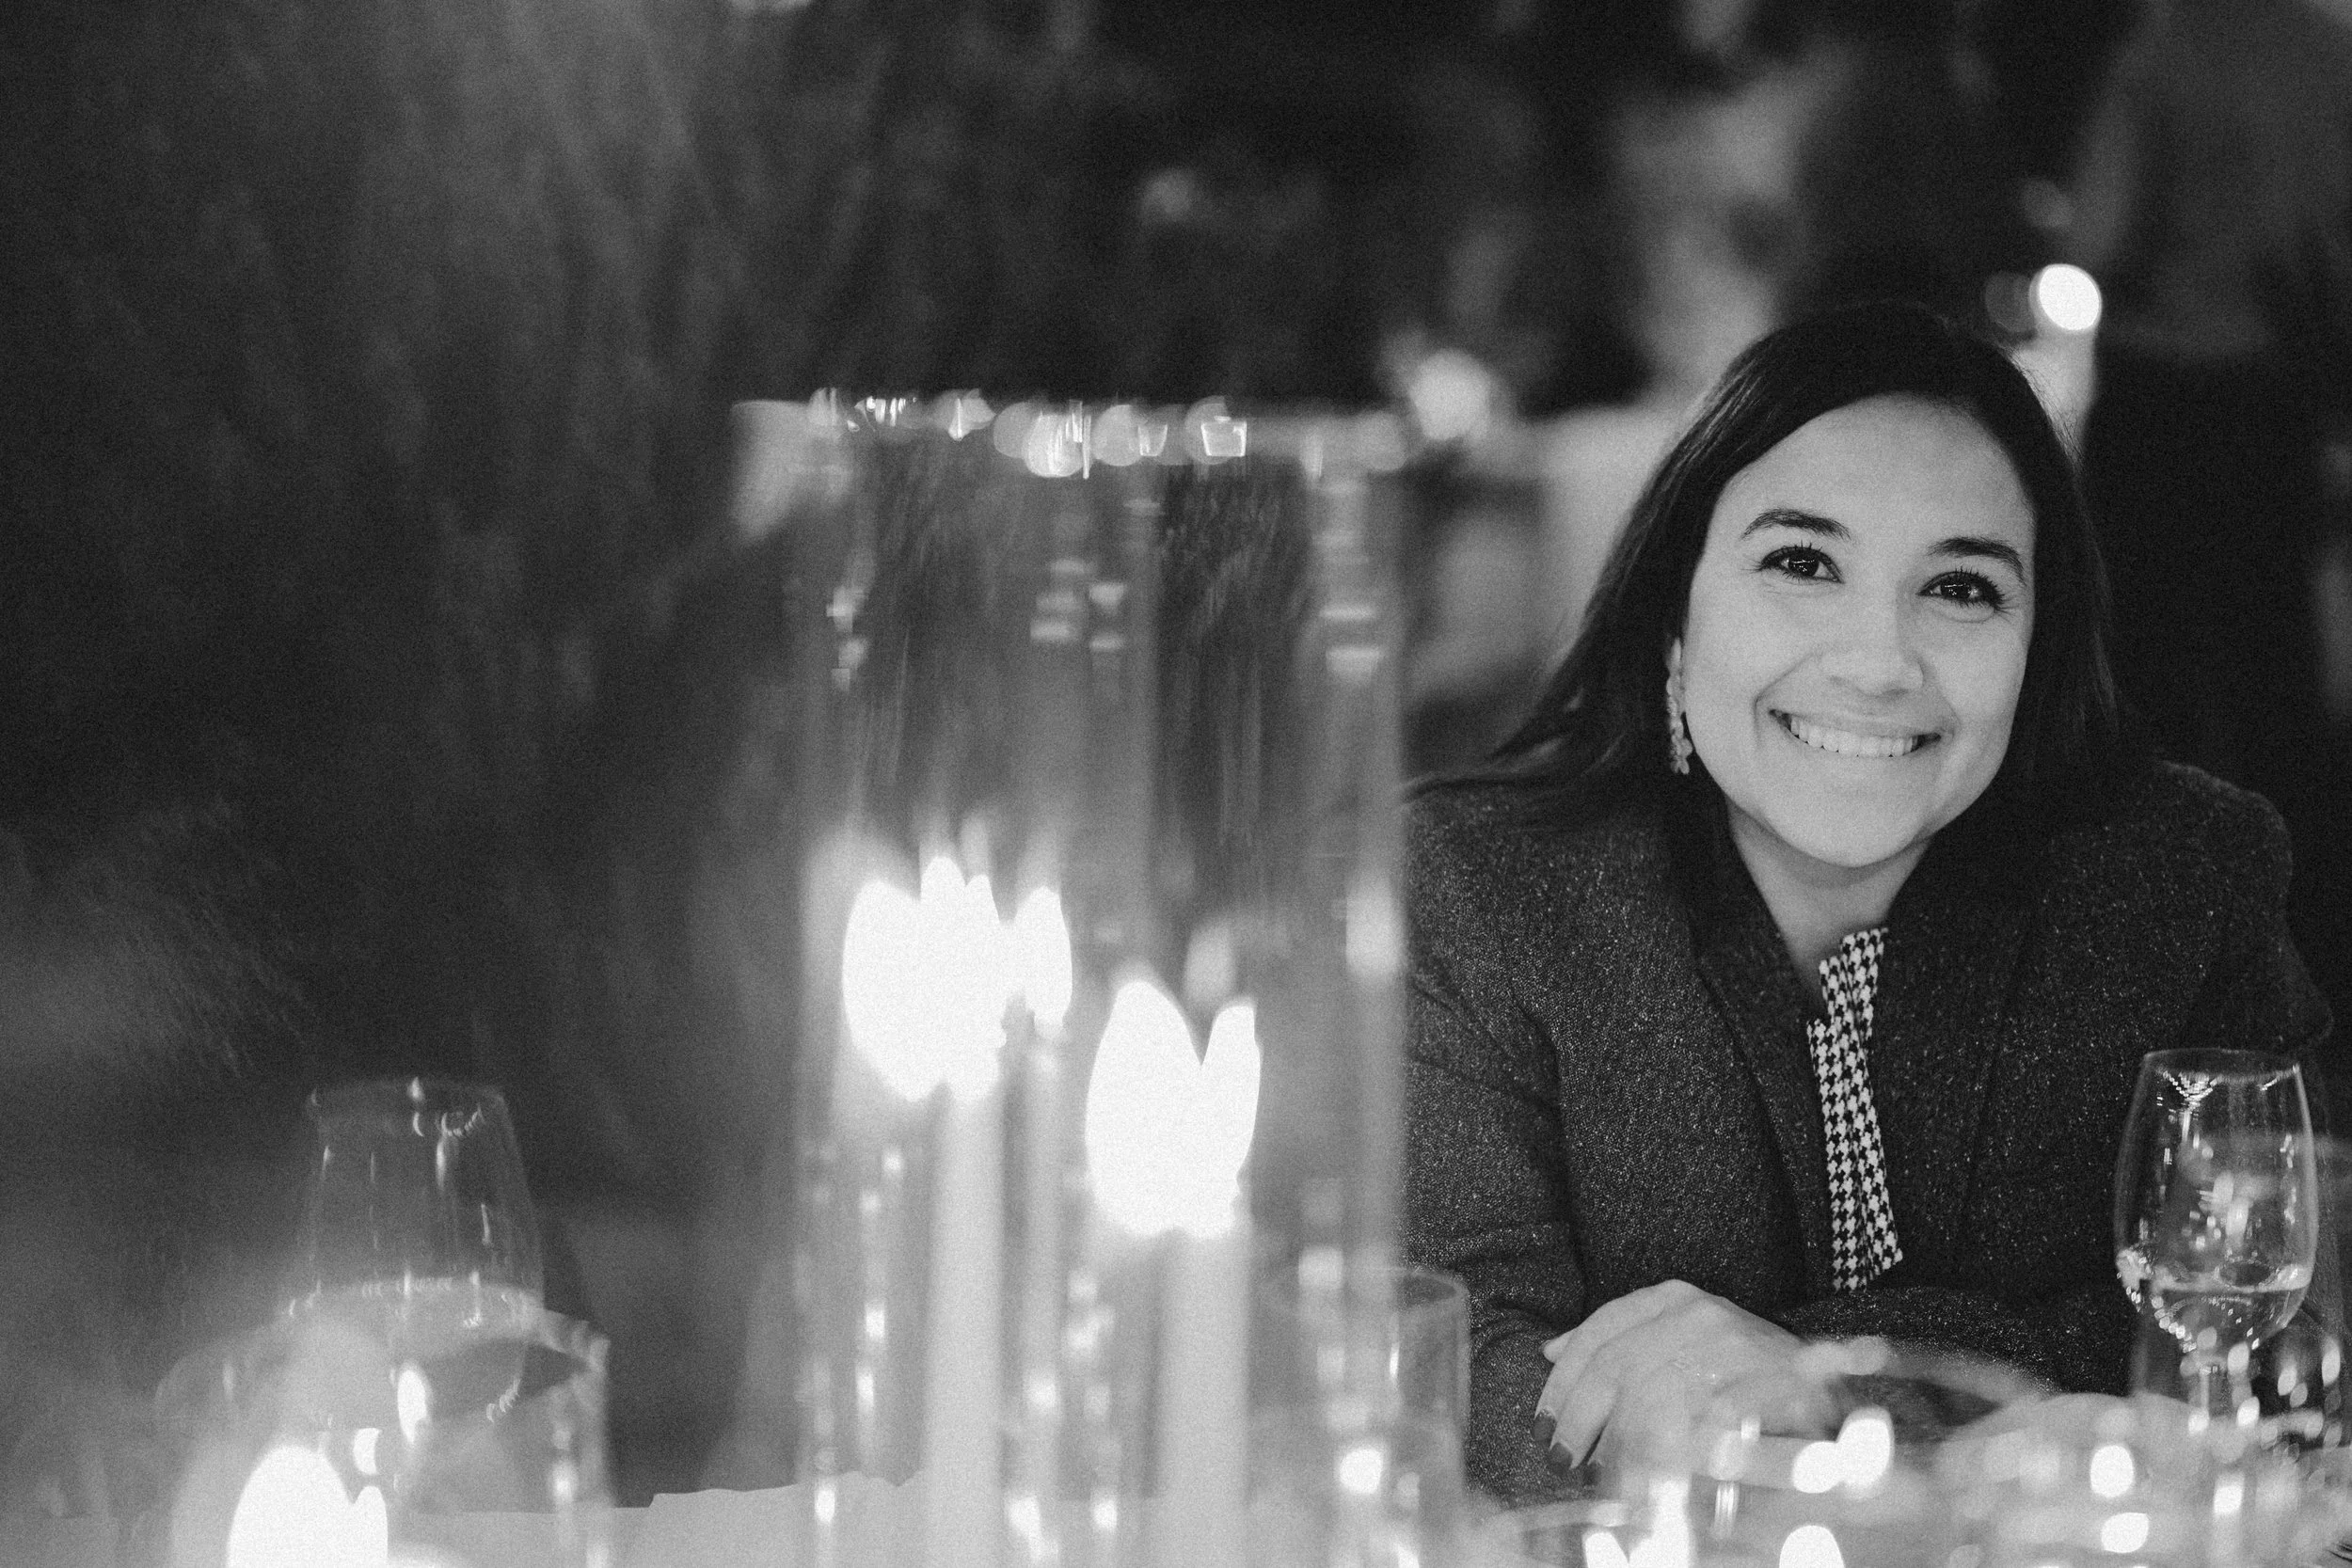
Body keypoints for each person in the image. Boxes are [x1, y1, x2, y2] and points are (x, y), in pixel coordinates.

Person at [1404, 300, 2333, 1502]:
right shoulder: (1482, 889)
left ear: (2036, 643)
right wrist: (2016, 1367)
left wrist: (1826, 1380)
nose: (1878, 657)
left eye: (1959, 587)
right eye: (1802, 562)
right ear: (1673, 620)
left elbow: (2284, 1320)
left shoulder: (2175, 876)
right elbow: (1442, 1364)